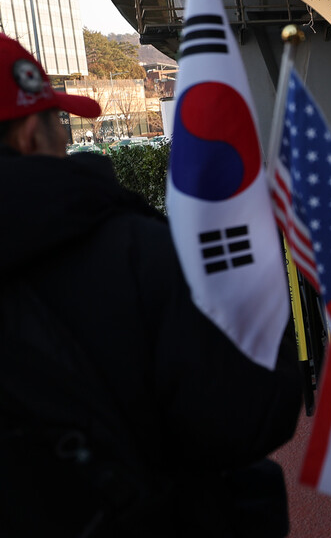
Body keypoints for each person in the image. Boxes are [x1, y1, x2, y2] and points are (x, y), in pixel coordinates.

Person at [0, 33, 302, 536]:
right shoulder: (134, 251)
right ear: (31, 134)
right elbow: (253, 413)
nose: (67, 137)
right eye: (60, 121)